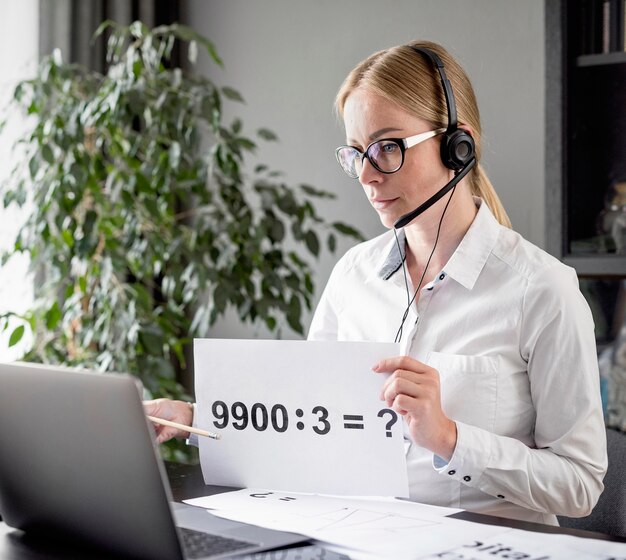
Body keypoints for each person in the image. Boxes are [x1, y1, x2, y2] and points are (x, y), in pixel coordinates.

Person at [144, 40, 607, 525]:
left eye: (387, 147)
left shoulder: (543, 290)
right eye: (356, 153)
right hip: (357, 538)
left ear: (458, 145)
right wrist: (194, 420)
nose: (366, 175)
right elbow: (303, 425)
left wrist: (450, 438)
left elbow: (580, 486)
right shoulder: (353, 275)